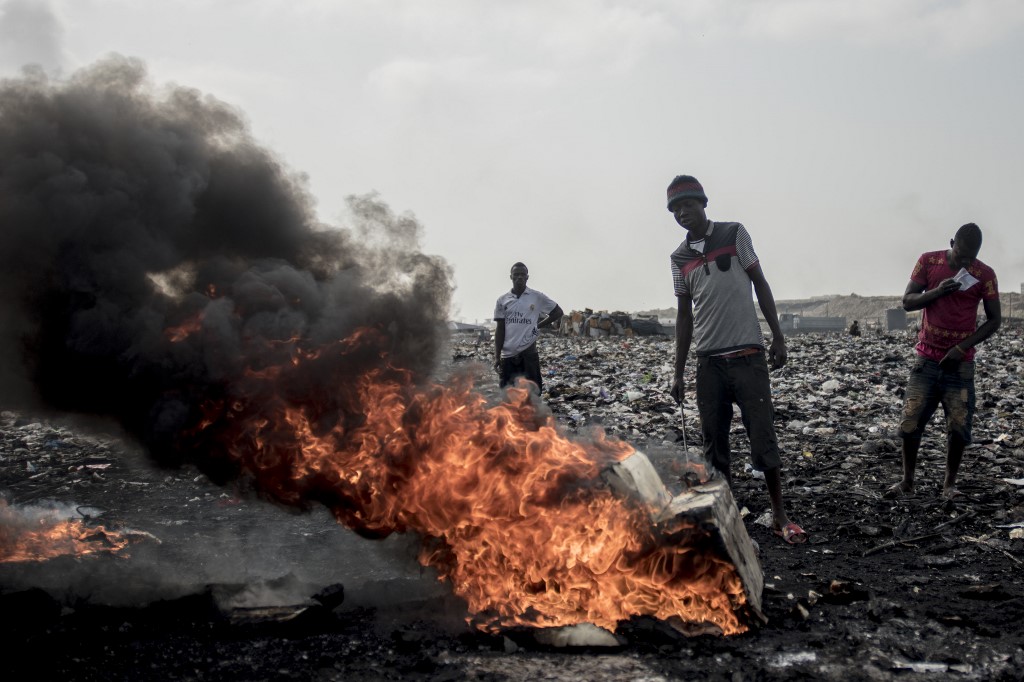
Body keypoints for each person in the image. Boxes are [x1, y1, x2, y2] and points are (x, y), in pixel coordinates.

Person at [666, 174, 806, 544]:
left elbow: (760, 283)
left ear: (703, 203)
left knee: (763, 437)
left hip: (747, 356)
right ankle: (726, 518)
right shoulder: (678, 258)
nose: (683, 213)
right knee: (715, 446)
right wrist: (678, 372)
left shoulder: (734, 233)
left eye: (688, 205)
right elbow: (685, 317)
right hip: (708, 362)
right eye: (676, 208)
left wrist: (777, 335)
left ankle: (779, 515)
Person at [884, 223, 1000, 500]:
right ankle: (907, 481)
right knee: (909, 423)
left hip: (959, 365)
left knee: (959, 428)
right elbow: (908, 302)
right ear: (951, 243)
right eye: (961, 256)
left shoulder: (984, 274)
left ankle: (949, 484)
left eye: (971, 257)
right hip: (926, 359)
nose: (965, 262)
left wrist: (962, 348)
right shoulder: (928, 261)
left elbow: (995, 320)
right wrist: (938, 291)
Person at [493, 262, 563, 392]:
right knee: (507, 394)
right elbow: (500, 329)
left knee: (532, 394)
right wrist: (497, 356)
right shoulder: (502, 300)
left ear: (527, 277)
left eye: (522, 274)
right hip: (508, 355)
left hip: (528, 354)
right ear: (511, 277)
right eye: (516, 274)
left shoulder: (536, 297)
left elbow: (558, 312)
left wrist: (538, 325)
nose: (519, 277)